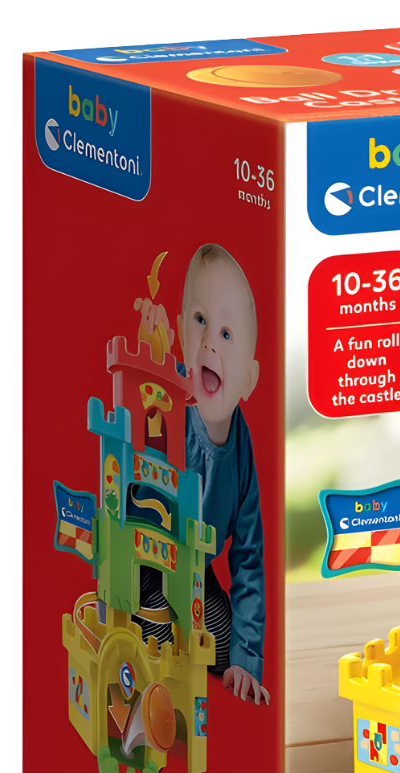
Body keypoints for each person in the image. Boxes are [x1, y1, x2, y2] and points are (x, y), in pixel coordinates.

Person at [132, 243, 268, 706]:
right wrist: (152, 352)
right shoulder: (166, 398)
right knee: (155, 643)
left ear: (248, 379)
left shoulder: (241, 447)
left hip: (194, 577)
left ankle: (193, 645)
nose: (209, 340)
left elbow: (249, 556)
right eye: (199, 320)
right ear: (181, 335)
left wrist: (247, 658)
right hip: (146, 568)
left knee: (227, 651)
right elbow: (145, 422)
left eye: (226, 334)